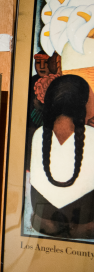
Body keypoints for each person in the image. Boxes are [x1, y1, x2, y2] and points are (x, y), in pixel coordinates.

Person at [29, 74, 94, 239]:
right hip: (86, 226)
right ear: (82, 104)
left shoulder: (38, 135)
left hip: (43, 224)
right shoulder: (92, 135)